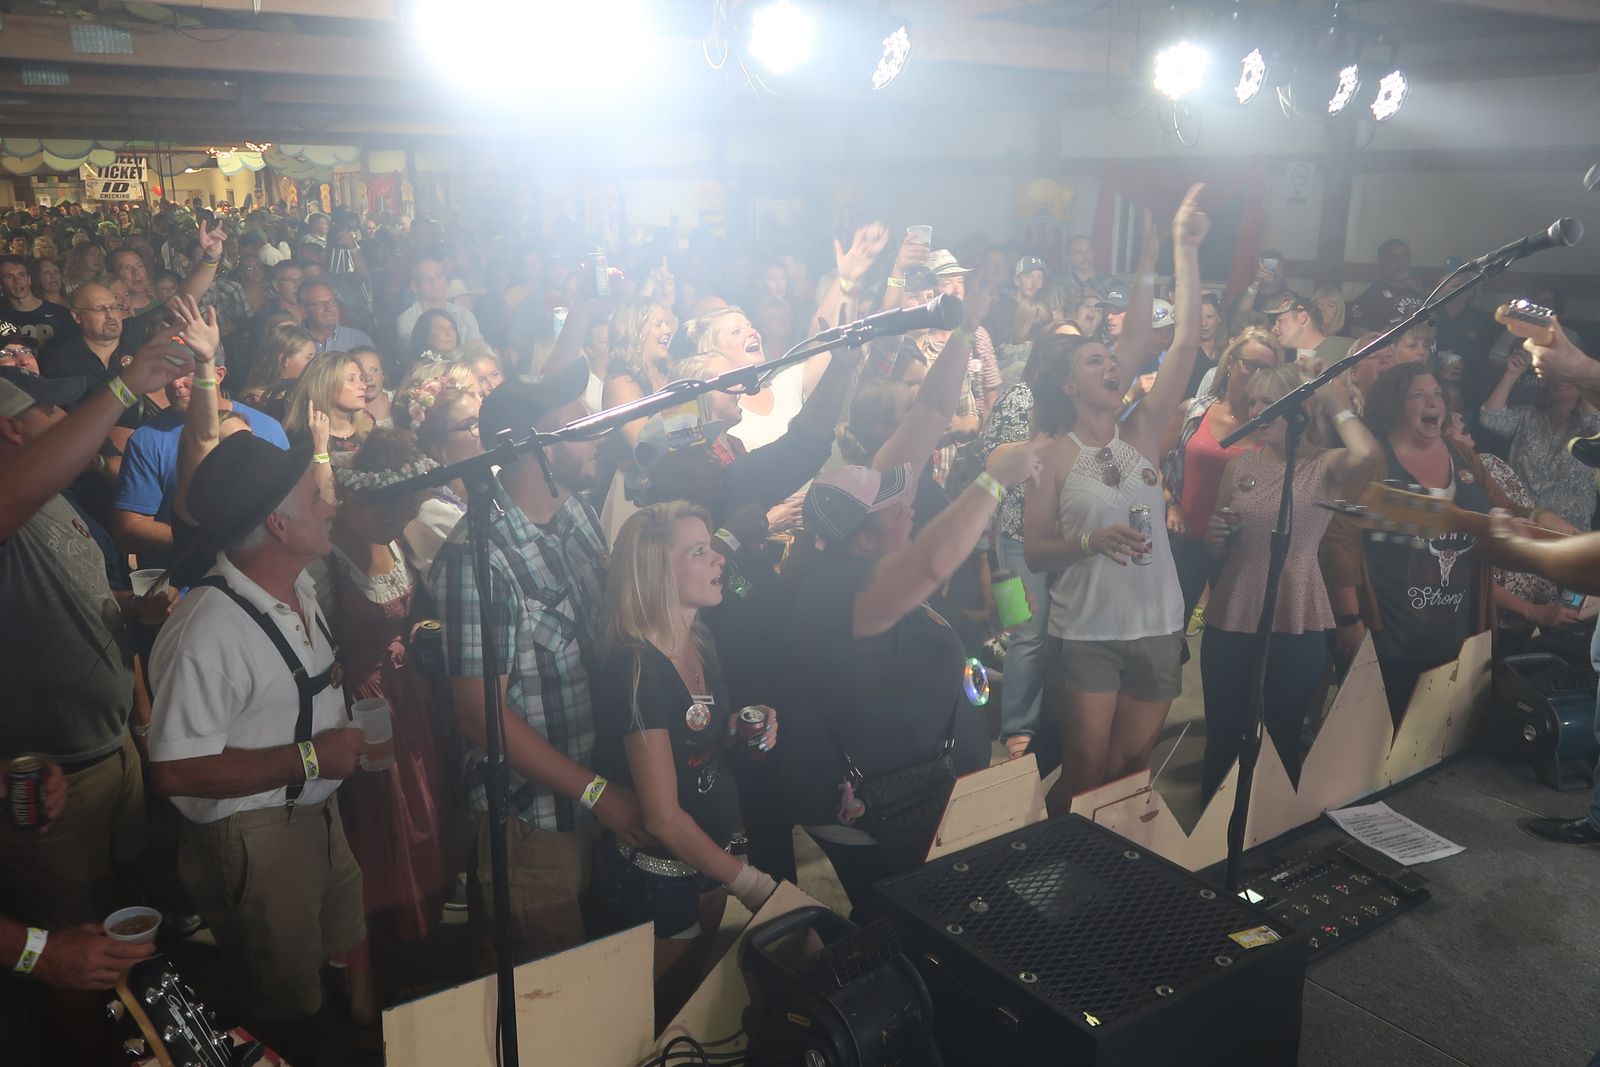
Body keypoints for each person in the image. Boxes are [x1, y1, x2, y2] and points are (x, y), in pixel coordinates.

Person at [146, 433, 368, 1057]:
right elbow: (174, 771)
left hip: (318, 814)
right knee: (285, 999)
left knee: (335, 952)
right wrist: (312, 757)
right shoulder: (208, 630)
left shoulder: (298, 587)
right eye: (316, 496)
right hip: (258, 834)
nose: (330, 506)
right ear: (277, 522)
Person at [430, 364, 649, 971]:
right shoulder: (479, 557)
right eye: (577, 425)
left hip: (596, 795)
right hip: (534, 821)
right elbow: (479, 717)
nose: (597, 433)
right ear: (531, 447)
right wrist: (598, 794)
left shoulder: (575, 513)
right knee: (552, 989)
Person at [1023, 186, 1208, 815]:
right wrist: (1088, 542)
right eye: (1094, 361)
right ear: (1069, 385)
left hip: (1157, 624)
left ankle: (1110, 862)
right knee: (1086, 773)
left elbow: (1184, 345)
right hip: (1086, 633)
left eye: (1112, 358)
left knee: (1130, 768)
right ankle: (1055, 863)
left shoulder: (1143, 431)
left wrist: (1182, 252)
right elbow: (1035, 552)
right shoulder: (1051, 456)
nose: (1111, 366)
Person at [0, 339, 189, 934]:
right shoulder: (13, 510)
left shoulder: (58, 503)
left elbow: (88, 601)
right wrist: (125, 386)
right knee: (74, 938)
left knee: (125, 905)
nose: (65, 418)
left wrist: (135, 609)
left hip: (112, 747)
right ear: (11, 429)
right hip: (51, 777)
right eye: (50, 410)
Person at [592, 501, 779, 1019]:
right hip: (664, 877)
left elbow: (697, 733)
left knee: (693, 992)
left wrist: (742, 723)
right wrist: (751, 885)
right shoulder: (638, 670)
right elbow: (662, 817)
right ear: (656, 573)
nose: (719, 558)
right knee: (660, 1013)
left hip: (709, 859)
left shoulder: (699, 638)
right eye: (699, 551)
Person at [1320, 363, 1541, 722]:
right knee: (1377, 733)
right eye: (1417, 395)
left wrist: (1543, 521)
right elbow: (1338, 541)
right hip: (1388, 635)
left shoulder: (1463, 456)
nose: (1433, 401)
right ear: (1394, 405)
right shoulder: (1375, 460)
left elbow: (1504, 510)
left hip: (1455, 634)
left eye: (1437, 393)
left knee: (1439, 735)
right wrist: (1349, 620)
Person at [324, 431, 457, 1024]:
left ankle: (413, 956)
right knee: (375, 834)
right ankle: (363, 985)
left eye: (406, 510)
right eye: (390, 510)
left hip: (409, 700)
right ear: (358, 497)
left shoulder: (396, 537)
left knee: (421, 818)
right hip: (360, 707)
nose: (399, 520)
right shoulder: (327, 556)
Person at [1199, 366, 1379, 795]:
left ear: (1299, 408)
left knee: (1280, 734)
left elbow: (1368, 456)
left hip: (1294, 613)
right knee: (1223, 732)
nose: (1258, 411)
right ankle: (1212, 822)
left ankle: (1269, 822)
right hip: (1233, 609)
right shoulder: (1239, 465)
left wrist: (1330, 396)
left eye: (1270, 403)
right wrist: (1214, 538)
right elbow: (1216, 544)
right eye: (1254, 402)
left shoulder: (1322, 464)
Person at [114, 297, 289, 569]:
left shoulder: (268, 428)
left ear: (217, 374)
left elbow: (288, 504)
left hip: (260, 572)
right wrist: (207, 543)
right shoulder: (148, 438)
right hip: (186, 580)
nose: (176, 383)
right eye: (169, 371)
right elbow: (131, 528)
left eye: (188, 372)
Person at [1161, 328, 1281, 629]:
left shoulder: (1271, 426)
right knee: (1169, 627)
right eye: (1250, 364)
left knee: (1229, 633)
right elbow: (1150, 462)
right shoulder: (1194, 411)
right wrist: (1170, 504)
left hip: (1238, 547)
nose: (1256, 374)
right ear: (1230, 362)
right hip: (1184, 539)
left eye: (1266, 369)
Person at [979, 336, 1061, 757]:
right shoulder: (1020, 399)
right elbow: (994, 460)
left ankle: (1042, 718)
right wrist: (1045, 439)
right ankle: (1017, 728)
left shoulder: (1073, 404)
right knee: (1024, 633)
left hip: (1057, 538)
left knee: (1046, 633)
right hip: (1013, 535)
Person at [1479, 346, 1600, 531]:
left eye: (1567, 375)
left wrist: (1580, 377)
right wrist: (1511, 374)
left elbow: (1593, 419)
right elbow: (1490, 418)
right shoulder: (1529, 416)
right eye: (1557, 374)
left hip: (1569, 534)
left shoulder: (1591, 428)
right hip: (1524, 524)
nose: (1561, 380)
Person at [404, 388, 480, 576]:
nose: (483, 429)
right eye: (470, 424)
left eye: (482, 419)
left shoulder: (496, 471)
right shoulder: (429, 512)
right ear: (439, 448)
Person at [282, 352, 369, 463]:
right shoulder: (301, 437)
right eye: (351, 379)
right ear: (326, 386)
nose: (363, 386)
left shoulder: (368, 428)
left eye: (361, 379)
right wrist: (320, 447)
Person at [236, 321, 316, 418]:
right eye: (309, 357)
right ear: (284, 359)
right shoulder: (253, 404)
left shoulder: (306, 396)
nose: (314, 363)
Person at [396, 257, 482, 347]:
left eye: (439, 276)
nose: (434, 282)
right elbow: (411, 354)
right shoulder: (406, 321)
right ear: (415, 286)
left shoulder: (464, 315)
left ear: (446, 281)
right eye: (426, 278)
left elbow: (478, 350)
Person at [1347, 238, 1424, 337]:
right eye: (1394, 257)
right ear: (1381, 263)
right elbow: (1359, 340)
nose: (1401, 263)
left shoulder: (1420, 294)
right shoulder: (1368, 298)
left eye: (1405, 257)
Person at [0, 254, 77, 351]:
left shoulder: (60, 314)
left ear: (29, 279)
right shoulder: (3, 319)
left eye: (21, 275)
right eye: (9, 277)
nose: (17, 281)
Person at [1267, 294, 1352, 374]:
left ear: (1303, 318)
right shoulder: (1284, 359)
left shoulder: (1347, 348)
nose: (1274, 329)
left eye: (1280, 321)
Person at [300, 279, 375, 355]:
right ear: (304, 310)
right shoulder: (295, 342)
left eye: (333, 302)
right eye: (320, 304)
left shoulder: (357, 340)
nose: (329, 308)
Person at [1232, 247, 1292, 323]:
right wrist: (1256, 282)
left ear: (1283, 270)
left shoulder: (1290, 298)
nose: (1273, 271)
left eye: (1278, 266)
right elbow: (1241, 315)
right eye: (1268, 267)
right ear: (1258, 269)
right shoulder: (1245, 297)